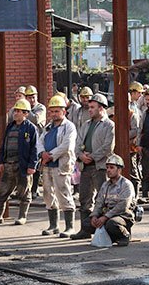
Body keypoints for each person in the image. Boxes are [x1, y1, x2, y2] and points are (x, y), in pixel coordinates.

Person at [0, 99, 38, 225]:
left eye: (19, 111)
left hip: (22, 165)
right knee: (1, 192)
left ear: (26, 113)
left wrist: (32, 165)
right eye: (15, 110)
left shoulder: (31, 128)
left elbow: (35, 148)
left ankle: (22, 217)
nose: (16, 113)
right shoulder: (10, 126)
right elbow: (4, 145)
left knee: (24, 192)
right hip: (9, 164)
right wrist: (1, 161)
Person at [71, 94, 115, 240]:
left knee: (102, 199)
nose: (89, 110)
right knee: (84, 198)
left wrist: (92, 157)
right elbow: (77, 143)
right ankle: (85, 229)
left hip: (100, 166)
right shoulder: (86, 124)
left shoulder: (109, 125)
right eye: (89, 107)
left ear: (101, 108)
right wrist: (81, 156)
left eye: (92, 107)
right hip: (85, 167)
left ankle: (102, 230)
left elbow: (107, 147)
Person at [70, 154, 135, 246]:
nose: (108, 170)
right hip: (107, 215)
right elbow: (99, 202)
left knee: (112, 224)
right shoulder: (105, 185)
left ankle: (124, 235)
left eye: (112, 167)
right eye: (107, 167)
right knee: (86, 224)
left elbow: (123, 206)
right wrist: (94, 216)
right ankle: (110, 237)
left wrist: (105, 217)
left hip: (123, 215)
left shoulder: (126, 184)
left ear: (119, 169)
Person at [37, 95, 77, 238]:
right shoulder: (48, 127)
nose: (54, 114)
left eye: (57, 111)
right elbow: (40, 141)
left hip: (61, 165)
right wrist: (42, 153)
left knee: (64, 193)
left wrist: (51, 155)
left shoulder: (69, 127)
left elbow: (67, 145)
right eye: (52, 111)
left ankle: (69, 227)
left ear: (64, 111)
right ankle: (53, 225)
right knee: (48, 194)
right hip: (47, 166)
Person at [25, 85, 46, 199]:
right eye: (29, 98)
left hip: (37, 140)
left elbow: (36, 119)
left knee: (36, 165)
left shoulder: (41, 108)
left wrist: (26, 110)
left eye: (33, 97)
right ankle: (26, 189)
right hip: (26, 139)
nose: (31, 100)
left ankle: (34, 189)